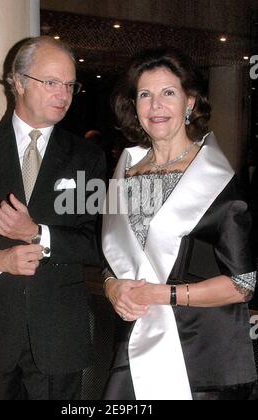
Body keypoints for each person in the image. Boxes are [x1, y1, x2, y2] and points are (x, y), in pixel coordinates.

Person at [102, 47, 257, 400]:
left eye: (167, 93)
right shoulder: (124, 172)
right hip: (136, 340)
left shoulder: (215, 179)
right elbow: (113, 259)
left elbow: (243, 284)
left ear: (189, 103)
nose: (155, 106)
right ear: (135, 106)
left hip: (201, 355)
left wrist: (163, 294)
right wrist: (112, 287)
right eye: (145, 95)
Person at [0, 36, 105, 400]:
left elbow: (96, 243)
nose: (64, 94)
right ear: (19, 82)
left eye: (70, 85)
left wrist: (38, 233)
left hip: (59, 335)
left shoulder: (86, 157)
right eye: (52, 82)